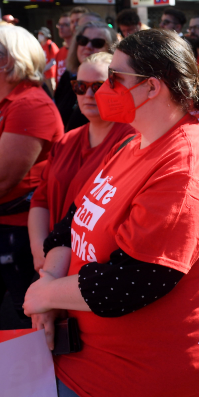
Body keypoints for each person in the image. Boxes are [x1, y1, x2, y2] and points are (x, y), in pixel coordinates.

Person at [22, 29, 199, 397]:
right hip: (104, 389)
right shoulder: (135, 141)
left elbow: (132, 281)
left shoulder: (187, 165)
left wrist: (44, 293)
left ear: (152, 86)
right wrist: (48, 279)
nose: (104, 89)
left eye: (115, 77)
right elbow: (72, 221)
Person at [0, 25, 64, 330]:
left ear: (12, 59)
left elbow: (2, 180)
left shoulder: (30, 104)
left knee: (19, 318)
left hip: (14, 233)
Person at [28, 52, 136, 273]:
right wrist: (40, 252)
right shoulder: (66, 140)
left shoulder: (133, 140)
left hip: (95, 268)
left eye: (98, 86)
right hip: (51, 263)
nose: (87, 94)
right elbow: (41, 201)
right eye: (80, 86)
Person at [53, 22, 116, 131]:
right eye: (83, 41)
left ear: (111, 48)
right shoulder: (67, 78)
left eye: (97, 43)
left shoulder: (116, 83)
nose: (88, 46)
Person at [39, 27, 60, 91]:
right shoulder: (41, 45)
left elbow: (53, 61)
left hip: (51, 74)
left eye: (41, 34)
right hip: (44, 74)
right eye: (39, 33)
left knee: (52, 90)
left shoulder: (51, 45)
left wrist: (43, 69)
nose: (39, 35)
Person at [55, 14, 74, 83]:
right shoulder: (60, 52)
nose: (61, 27)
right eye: (59, 24)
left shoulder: (78, 52)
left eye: (65, 24)